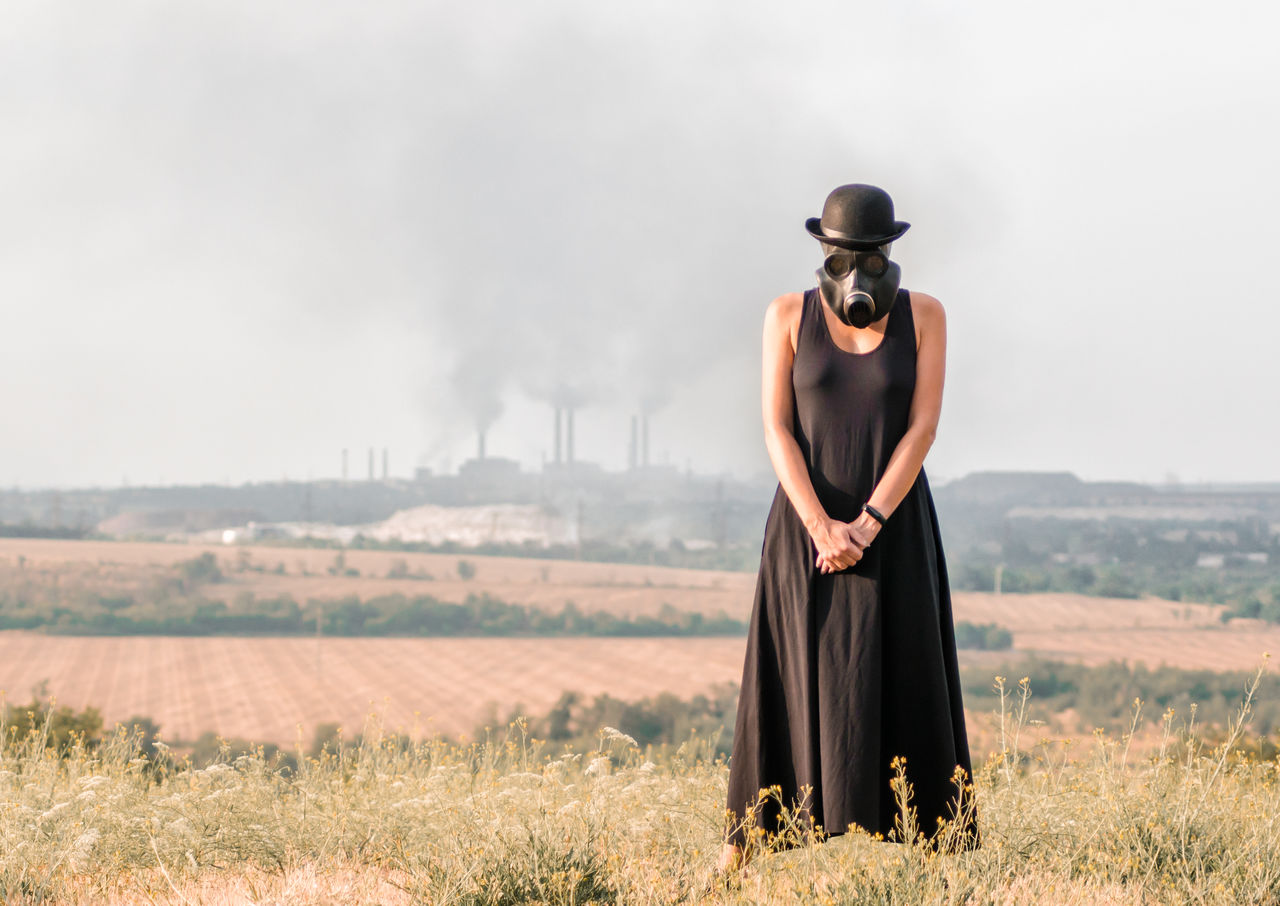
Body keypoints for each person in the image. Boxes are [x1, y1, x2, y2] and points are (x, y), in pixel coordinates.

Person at [717, 183, 980, 875]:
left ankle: (941, 862)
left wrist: (865, 524)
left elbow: (923, 426)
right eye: (843, 253)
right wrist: (820, 526)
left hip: (892, 528)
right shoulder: (784, 314)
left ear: (889, 251)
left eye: (869, 252)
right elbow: (775, 426)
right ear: (823, 251)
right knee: (781, 677)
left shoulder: (925, 314)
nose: (856, 267)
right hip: (804, 530)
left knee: (909, 670)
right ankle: (736, 856)